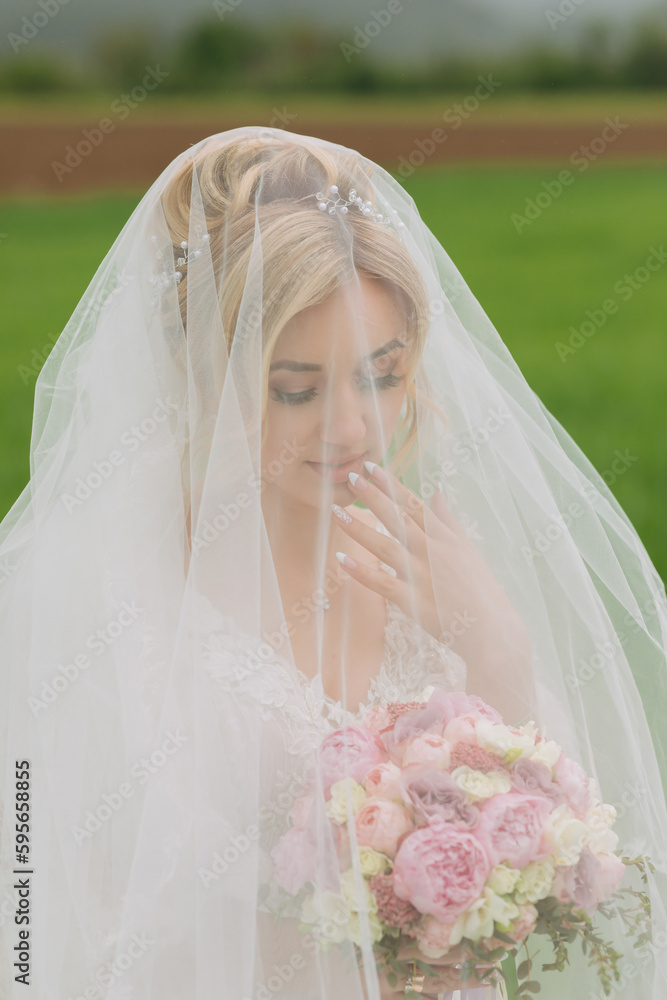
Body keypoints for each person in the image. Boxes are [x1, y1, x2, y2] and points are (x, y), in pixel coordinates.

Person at [0, 125, 666, 1000]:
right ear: (197, 371)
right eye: (295, 389)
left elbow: (545, 863)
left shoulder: (438, 558)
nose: (353, 430)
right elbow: (32, 906)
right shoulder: (96, 594)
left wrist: (495, 647)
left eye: (382, 375)